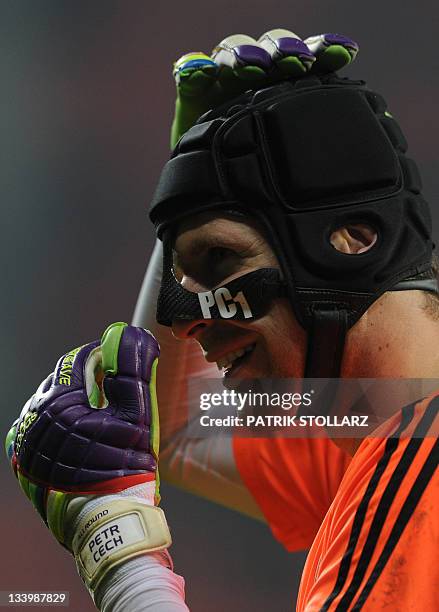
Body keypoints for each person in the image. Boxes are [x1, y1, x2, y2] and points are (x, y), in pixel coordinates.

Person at [6, 29, 439, 611]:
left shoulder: (420, 470)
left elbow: (176, 432)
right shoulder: (366, 422)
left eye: (220, 260)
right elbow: (182, 433)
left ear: (352, 241)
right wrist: (200, 176)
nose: (185, 323)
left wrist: (125, 566)